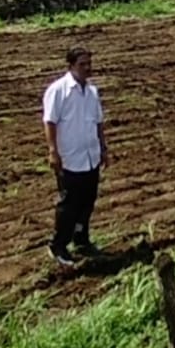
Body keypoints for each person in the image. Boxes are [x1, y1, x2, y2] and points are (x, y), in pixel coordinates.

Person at [42, 46, 109, 267]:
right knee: (69, 204)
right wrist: (53, 151)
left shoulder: (92, 92)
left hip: (90, 157)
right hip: (69, 158)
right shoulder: (58, 90)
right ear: (70, 65)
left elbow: (98, 122)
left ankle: (82, 240)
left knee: (87, 201)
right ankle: (58, 245)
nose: (87, 68)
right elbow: (50, 121)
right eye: (82, 64)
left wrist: (103, 148)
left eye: (89, 64)